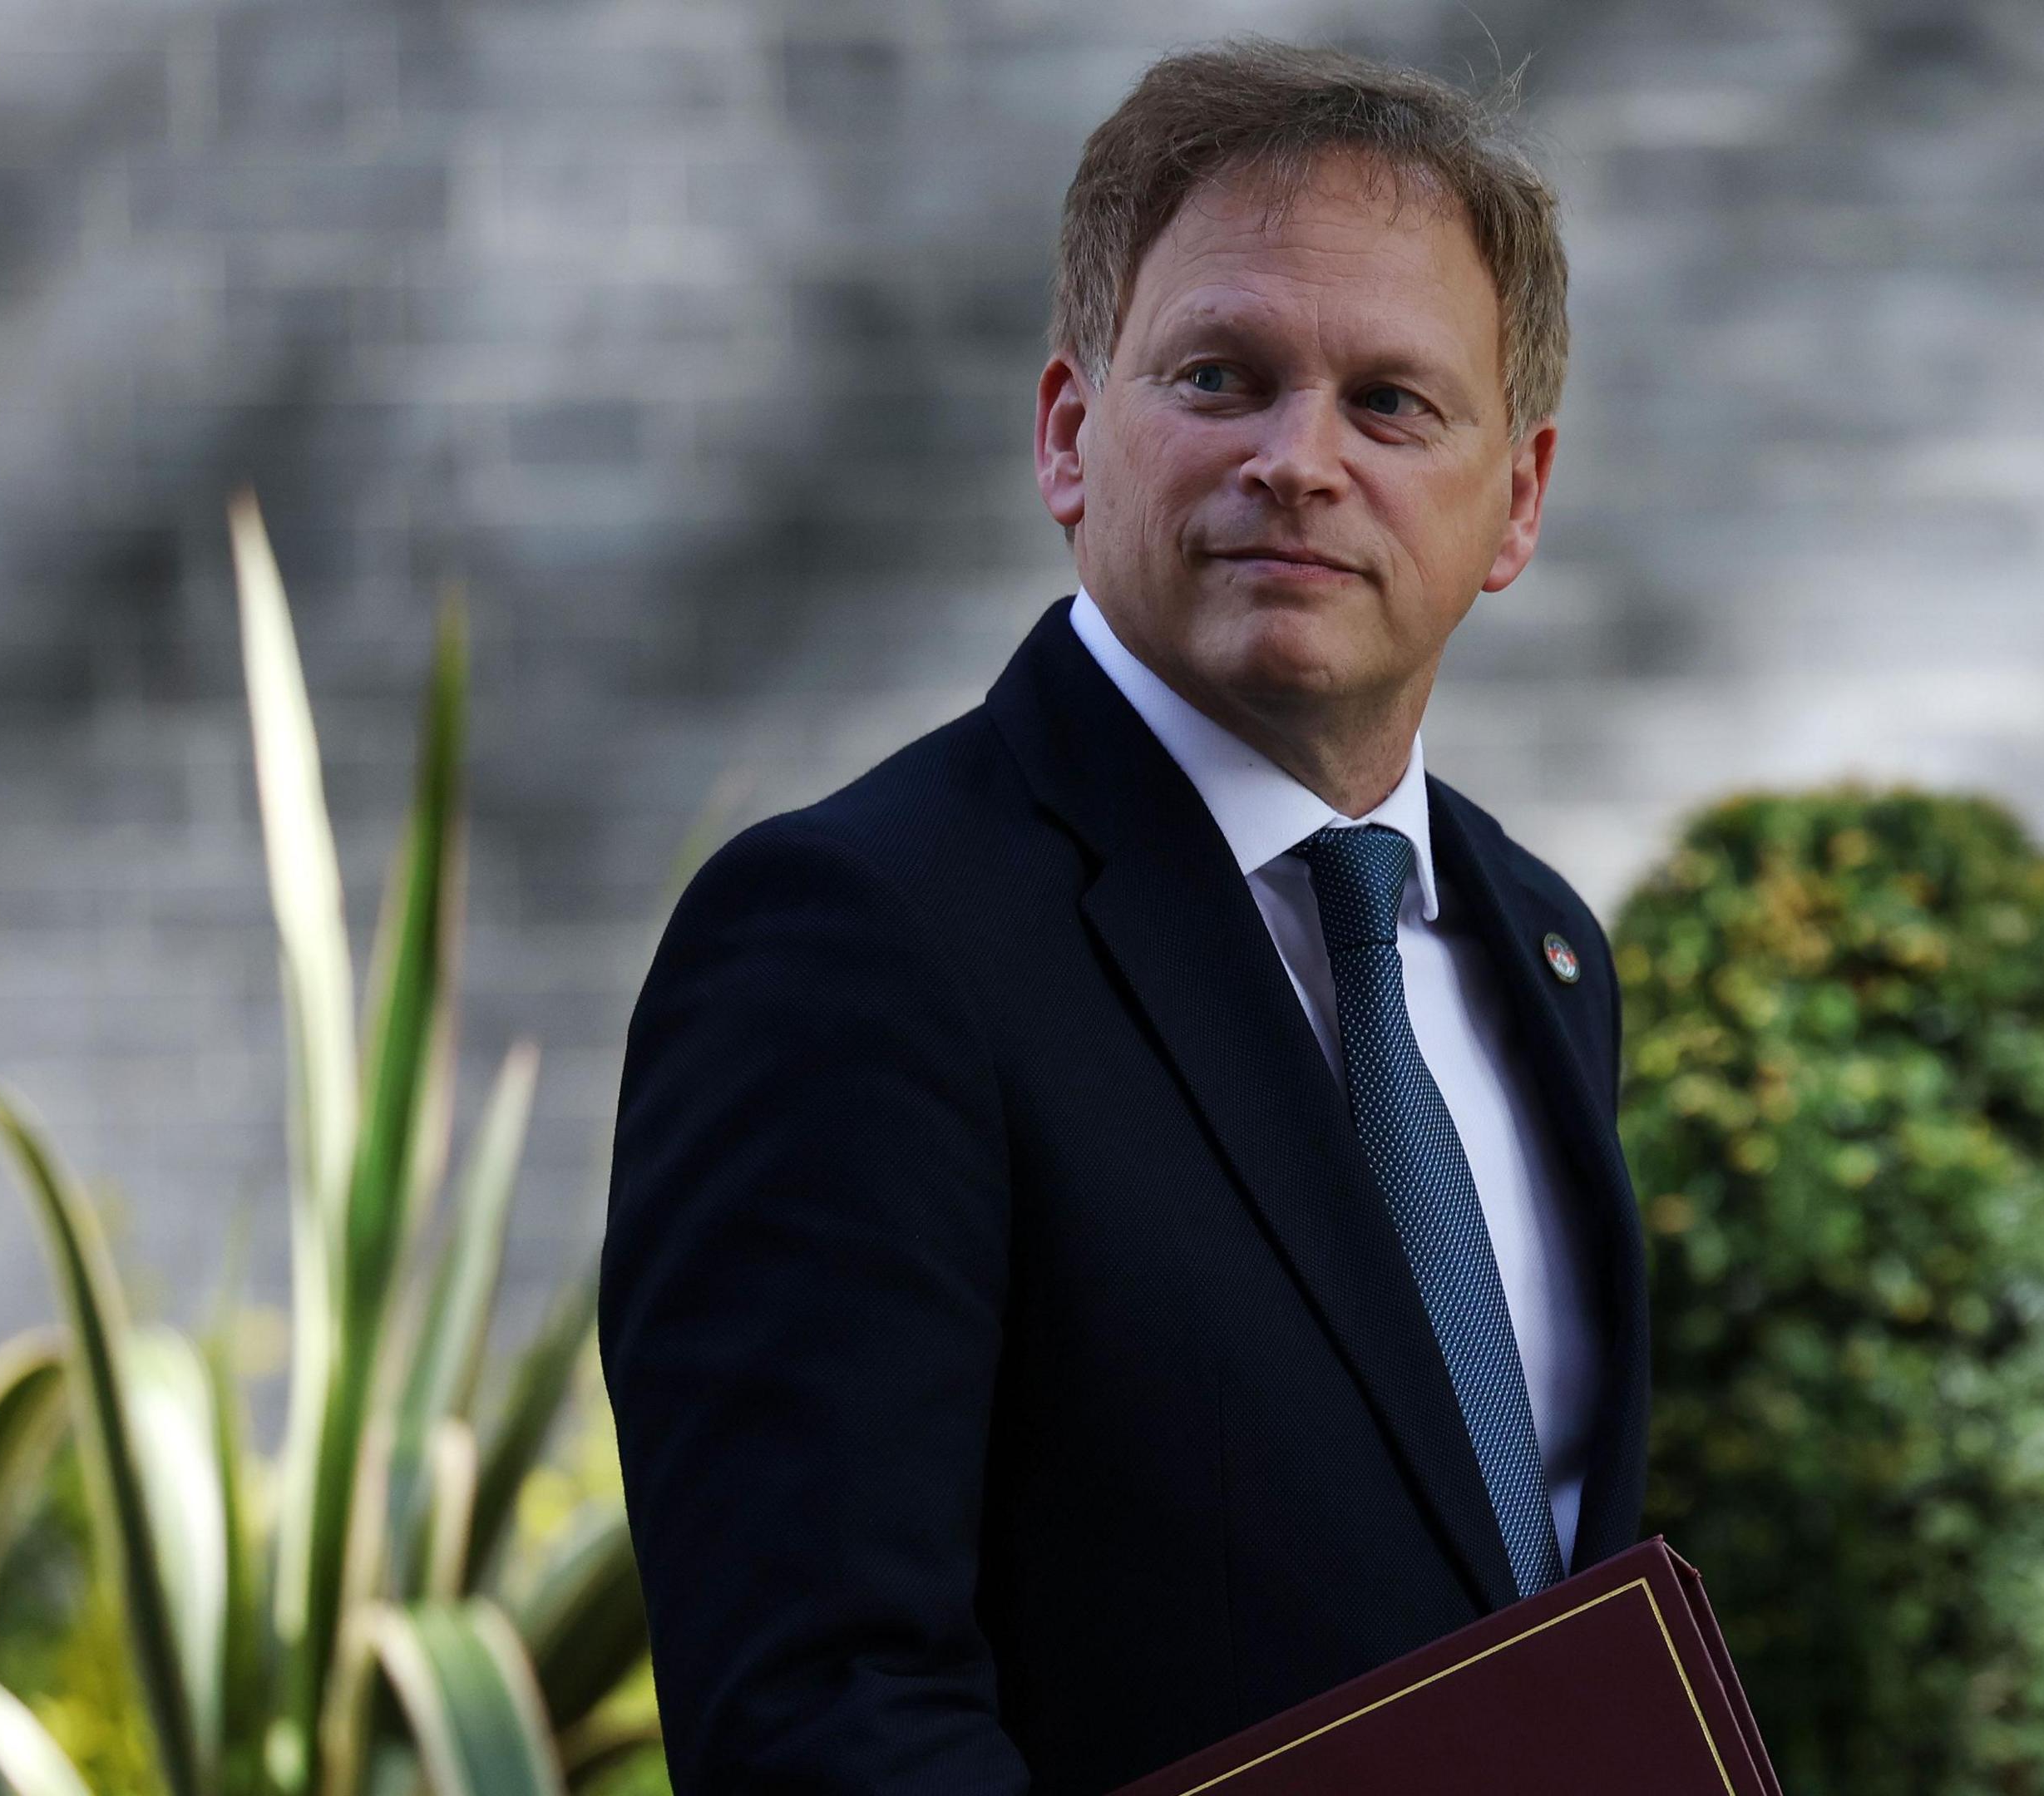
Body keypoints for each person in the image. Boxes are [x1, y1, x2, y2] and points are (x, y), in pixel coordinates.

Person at [599, 38, 1647, 1796]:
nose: (1299, 459)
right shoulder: (848, 945)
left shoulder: (1541, 950)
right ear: (1072, 435)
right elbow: (822, 1721)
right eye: (1224, 377)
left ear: (1516, 501)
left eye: (1392, 402)